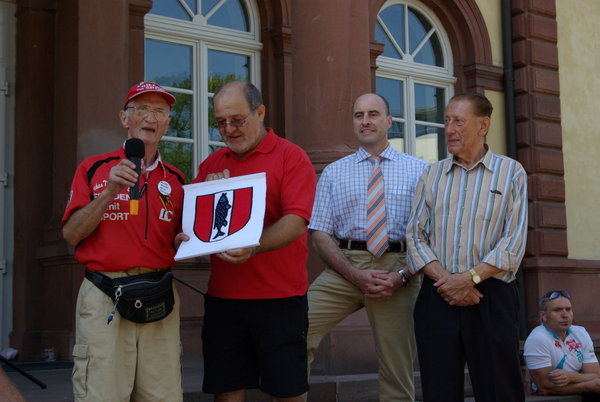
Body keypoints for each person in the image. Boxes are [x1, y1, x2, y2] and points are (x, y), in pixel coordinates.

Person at [185, 81, 316, 401]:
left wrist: (255, 245)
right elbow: (193, 225)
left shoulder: (291, 156)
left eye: (237, 120)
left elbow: (297, 220)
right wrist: (206, 200)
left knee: (287, 391)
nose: (228, 130)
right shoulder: (212, 164)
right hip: (224, 299)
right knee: (226, 390)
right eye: (220, 123)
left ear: (260, 112)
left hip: (280, 298)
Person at [62, 82, 185, 401]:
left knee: (164, 397)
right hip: (105, 295)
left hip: (160, 296)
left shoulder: (176, 180)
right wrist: (108, 192)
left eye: (160, 111)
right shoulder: (93, 169)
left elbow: (183, 239)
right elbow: (72, 234)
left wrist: (186, 240)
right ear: (124, 118)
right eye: (141, 109)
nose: (150, 117)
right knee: (102, 395)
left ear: (167, 123)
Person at [406, 92, 528, 402]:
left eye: (459, 121)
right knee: (439, 391)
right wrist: (448, 281)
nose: (449, 129)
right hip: (438, 294)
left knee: (499, 391)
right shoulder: (431, 174)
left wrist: (469, 279)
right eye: (446, 121)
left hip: (491, 296)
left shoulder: (511, 172)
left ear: (483, 126)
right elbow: (415, 236)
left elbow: (513, 242)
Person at [306, 93, 427, 401]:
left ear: (389, 121)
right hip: (345, 267)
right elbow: (320, 233)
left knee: (396, 366)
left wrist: (402, 275)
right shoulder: (334, 172)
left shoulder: (420, 171)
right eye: (359, 115)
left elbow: (430, 235)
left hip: (398, 269)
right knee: (295, 330)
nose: (365, 121)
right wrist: (354, 275)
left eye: (373, 114)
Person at [524, 290, 600, 400]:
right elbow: (545, 386)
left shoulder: (581, 332)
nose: (565, 315)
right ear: (543, 316)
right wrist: (589, 385)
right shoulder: (537, 338)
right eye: (557, 310)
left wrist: (571, 377)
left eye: (568, 309)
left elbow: (596, 375)